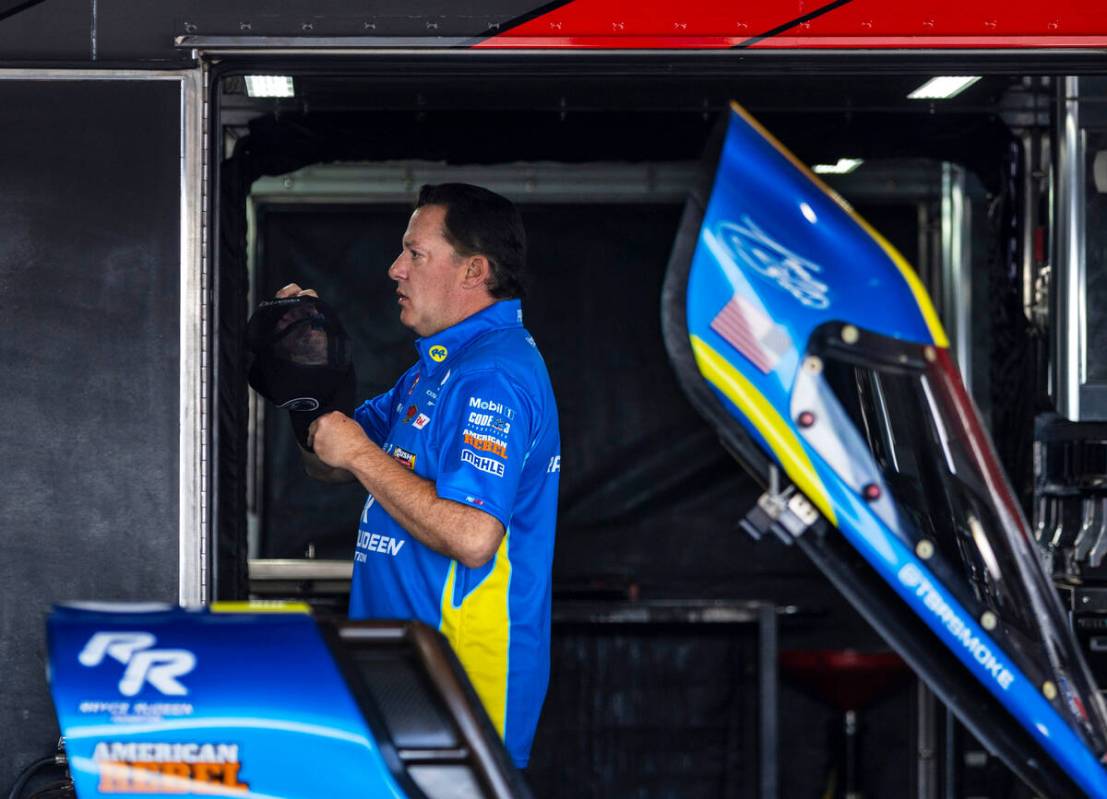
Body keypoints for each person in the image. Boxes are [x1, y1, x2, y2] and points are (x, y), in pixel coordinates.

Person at [279, 183, 560, 769]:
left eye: (415, 253)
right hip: (410, 679)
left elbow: (472, 536)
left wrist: (357, 453)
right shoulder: (437, 370)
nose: (395, 268)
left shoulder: (493, 376)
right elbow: (330, 458)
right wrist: (305, 377)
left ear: (473, 270)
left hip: (460, 686)